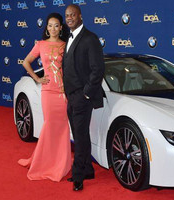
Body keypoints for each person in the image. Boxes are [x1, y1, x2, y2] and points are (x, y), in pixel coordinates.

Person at [18, 13, 72, 182]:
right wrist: (37, 78)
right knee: (49, 125)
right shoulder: (40, 45)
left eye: (56, 25)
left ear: (61, 28)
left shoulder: (66, 45)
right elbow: (26, 62)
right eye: (50, 25)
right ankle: (43, 162)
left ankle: (60, 163)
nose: (53, 28)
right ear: (46, 28)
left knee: (62, 127)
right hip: (48, 92)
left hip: (63, 93)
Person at [63, 4, 105, 191]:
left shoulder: (90, 38)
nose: (69, 17)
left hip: (82, 96)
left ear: (80, 16)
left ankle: (78, 175)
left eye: (73, 14)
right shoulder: (69, 38)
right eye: (67, 15)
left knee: (79, 138)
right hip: (71, 96)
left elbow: (98, 70)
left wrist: (86, 93)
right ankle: (87, 169)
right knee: (80, 135)